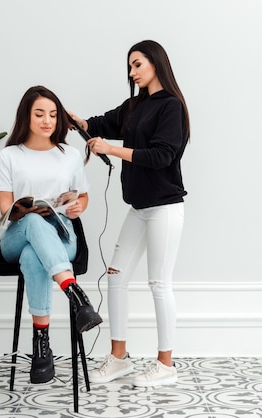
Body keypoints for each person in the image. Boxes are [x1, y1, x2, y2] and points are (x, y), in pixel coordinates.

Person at [70, 40, 190, 387]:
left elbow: (161, 156)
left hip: (165, 208)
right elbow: (104, 123)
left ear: (155, 63)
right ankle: (119, 357)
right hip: (138, 209)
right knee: (115, 277)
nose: (132, 72)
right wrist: (79, 123)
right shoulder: (135, 105)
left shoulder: (171, 107)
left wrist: (113, 149)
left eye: (137, 65)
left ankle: (165, 364)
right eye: (130, 67)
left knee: (158, 283)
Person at [0, 85, 102, 384]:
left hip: (62, 236)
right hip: (16, 234)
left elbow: (83, 198)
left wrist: (78, 206)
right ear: (26, 116)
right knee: (33, 225)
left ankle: (41, 347)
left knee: (34, 255)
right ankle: (75, 293)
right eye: (39, 114)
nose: (47, 120)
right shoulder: (9, 156)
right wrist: (25, 210)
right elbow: (4, 206)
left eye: (53, 115)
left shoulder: (68, 155)